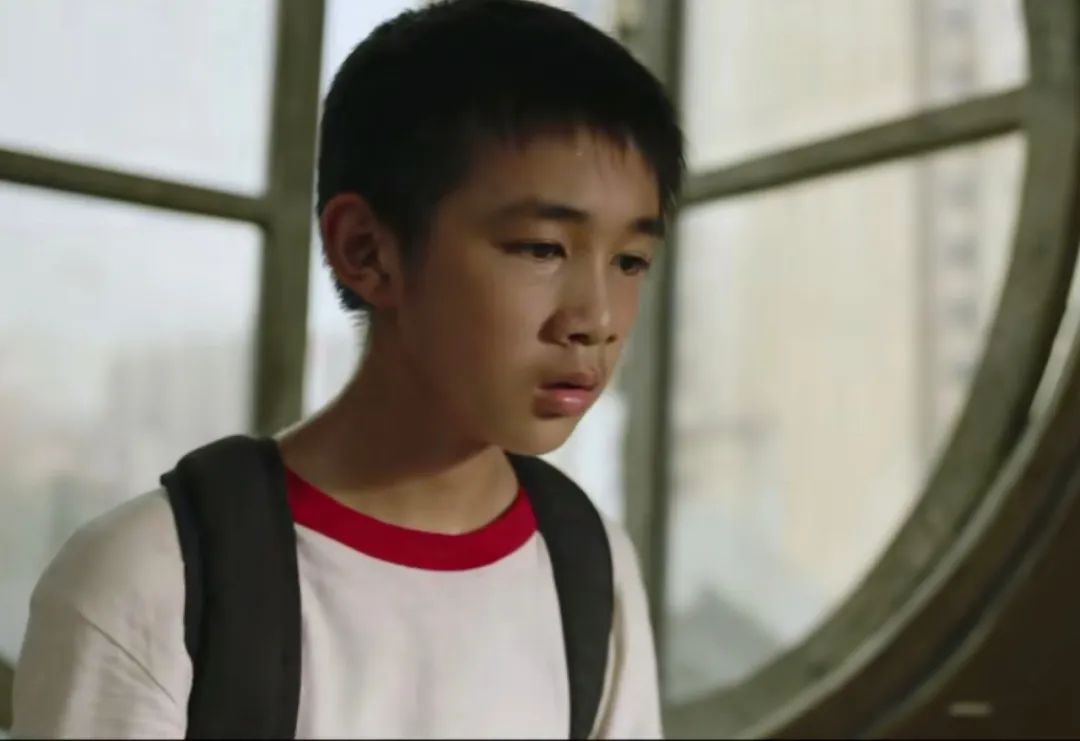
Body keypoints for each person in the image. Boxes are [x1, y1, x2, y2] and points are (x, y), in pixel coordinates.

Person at [12, 0, 685, 737]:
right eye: (541, 248)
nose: (597, 317)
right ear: (366, 249)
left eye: (631, 260)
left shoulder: (588, 569)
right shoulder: (153, 581)